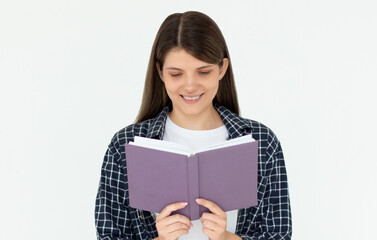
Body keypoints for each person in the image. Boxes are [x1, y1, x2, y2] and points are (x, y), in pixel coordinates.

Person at [95, 11, 292, 240]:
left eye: (203, 71)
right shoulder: (124, 147)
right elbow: (109, 235)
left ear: (222, 68)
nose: (190, 86)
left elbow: (278, 235)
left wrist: (225, 237)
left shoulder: (262, 143)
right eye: (176, 74)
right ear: (160, 71)